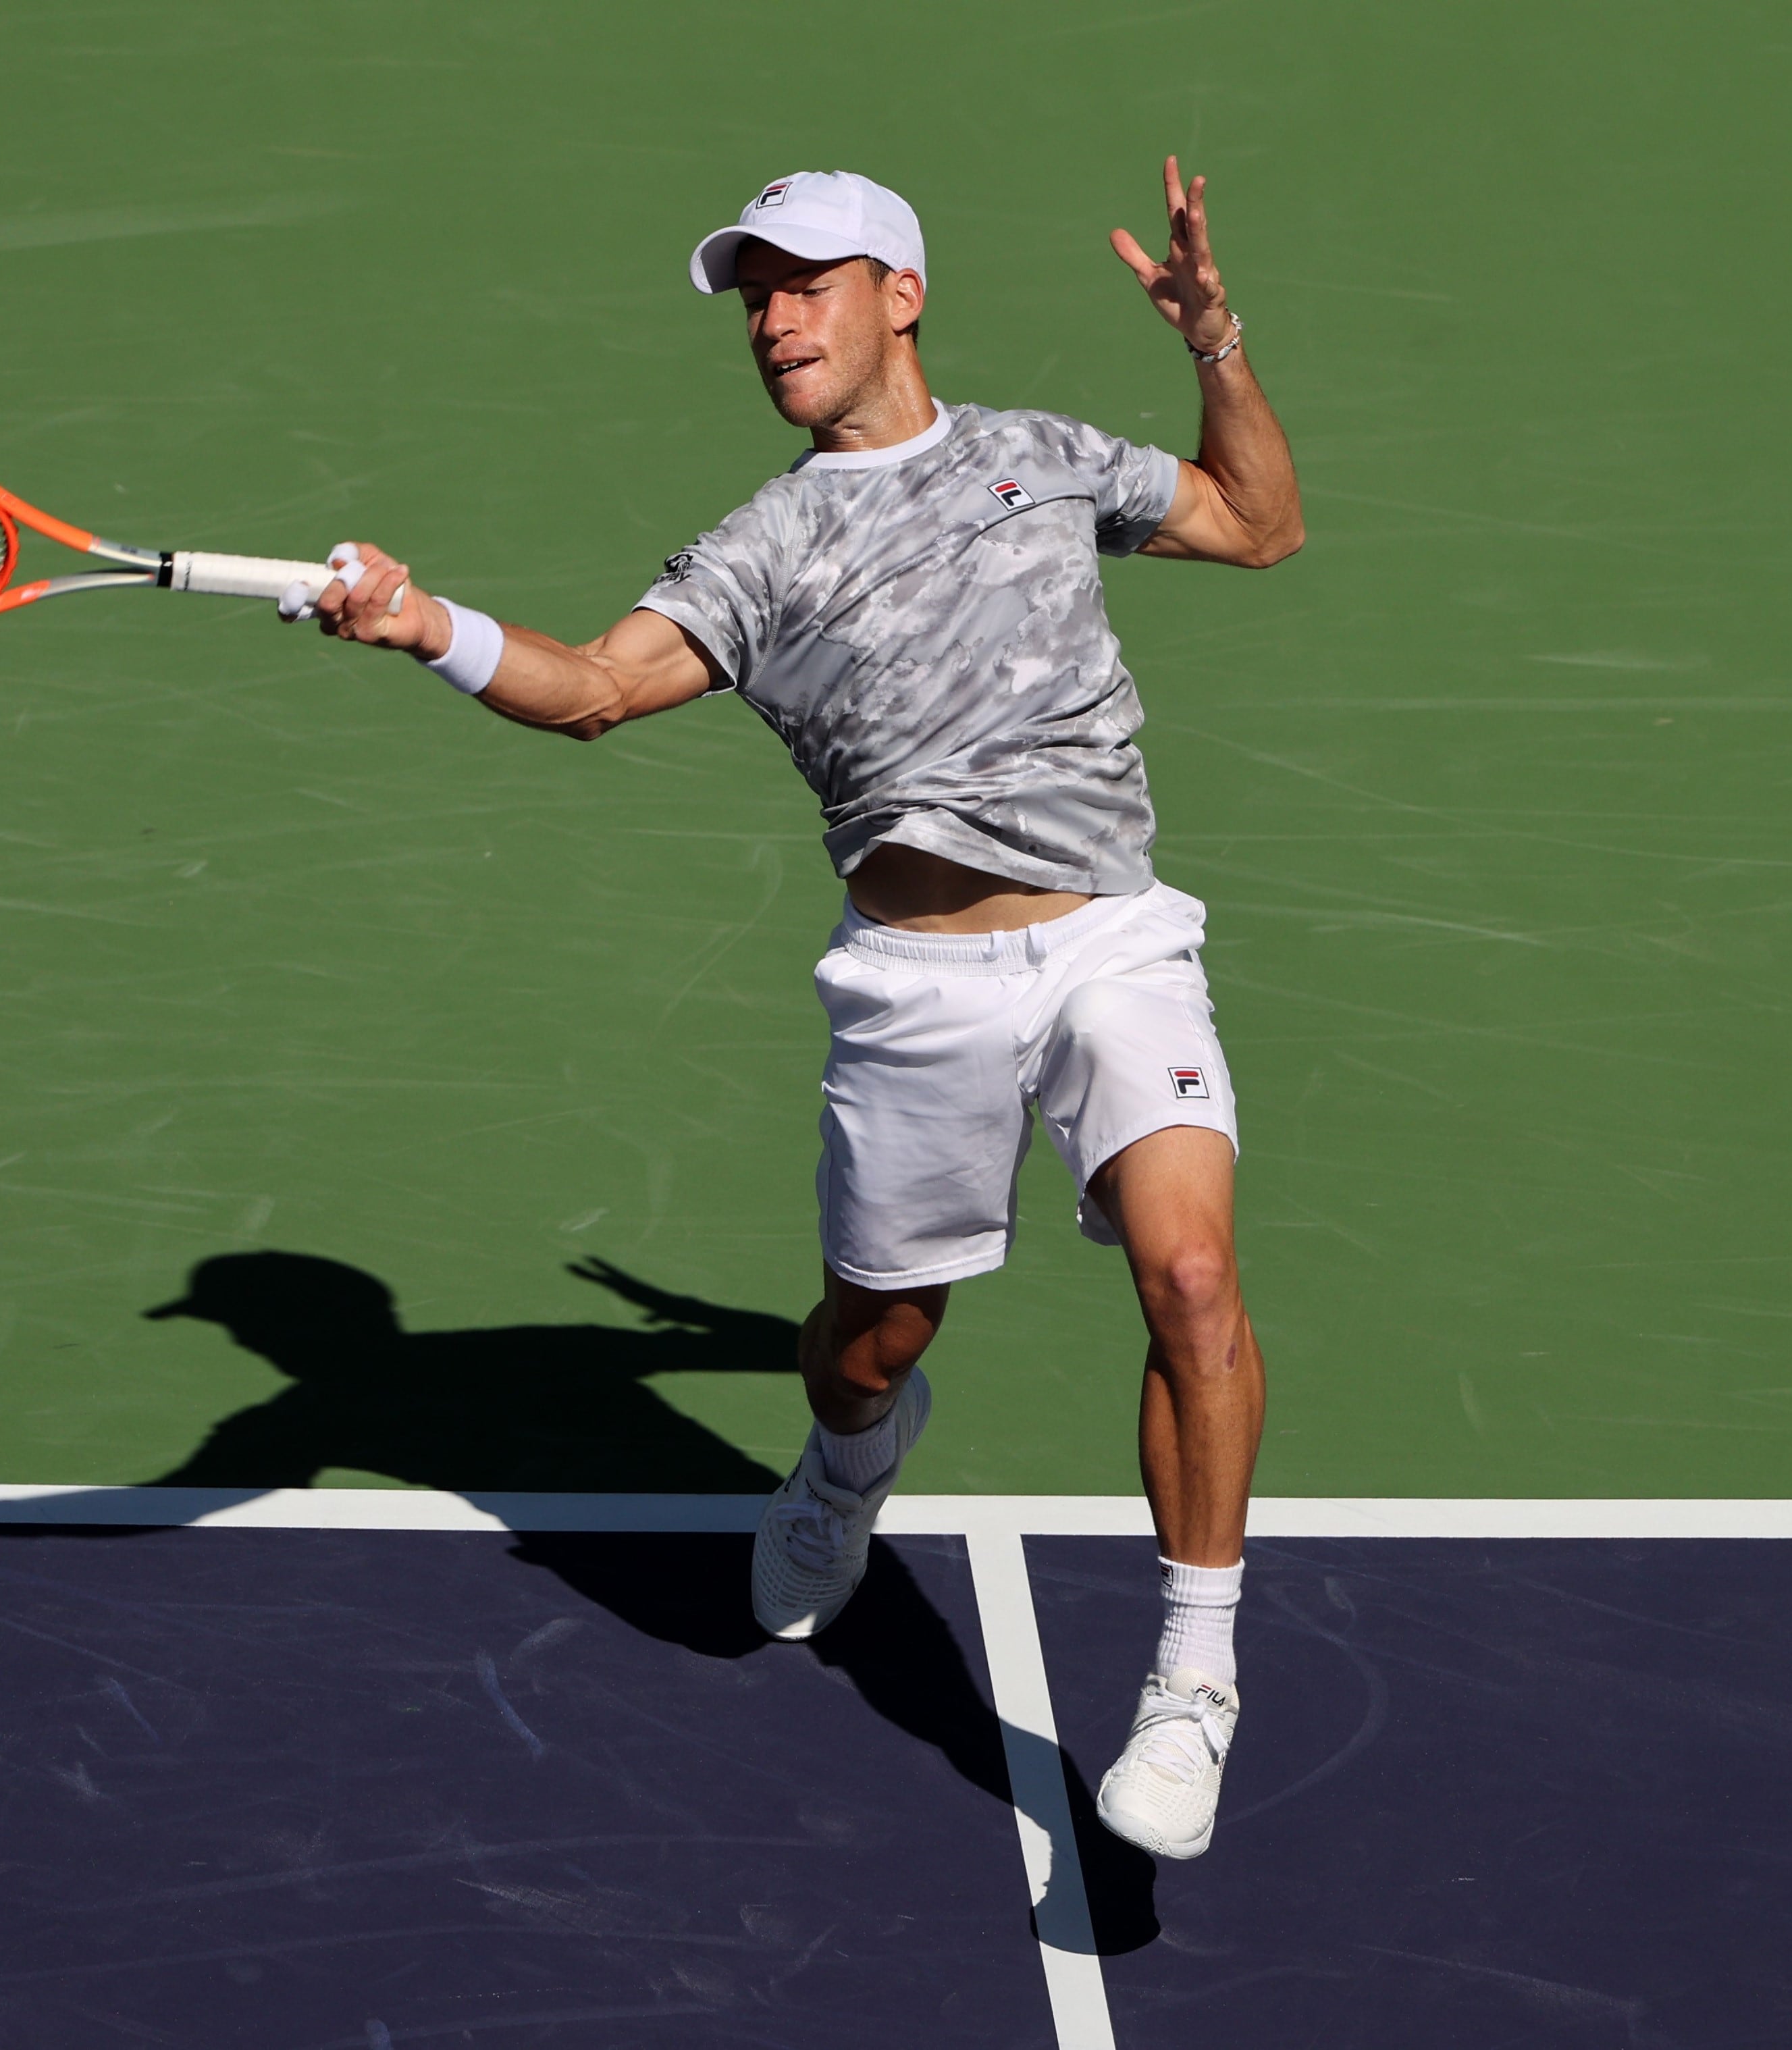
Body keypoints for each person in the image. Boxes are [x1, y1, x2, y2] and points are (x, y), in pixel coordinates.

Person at [286, 161, 1302, 1863]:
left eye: (802, 281)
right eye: (752, 293)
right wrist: (424, 623)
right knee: (870, 1347)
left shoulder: (1041, 457)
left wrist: (1220, 345)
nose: (769, 320)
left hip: (1116, 943)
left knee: (1192, 1272)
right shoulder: (768, 544)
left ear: (900, 293)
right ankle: (847, 1467)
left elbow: (1258, 522)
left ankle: (1195, 1676)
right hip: (916, 988)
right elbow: (598, 689)